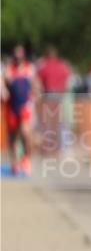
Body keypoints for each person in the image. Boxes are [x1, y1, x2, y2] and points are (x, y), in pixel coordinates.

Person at [4, 45, 37, 176]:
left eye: (20, 56)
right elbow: (3, 84)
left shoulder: (29, 69)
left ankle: (26, 158)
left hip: (25, 106)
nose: (18, 59)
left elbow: (35, 85)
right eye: (16, 56)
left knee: (25, 132)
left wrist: (35, 95)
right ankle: (14, 162)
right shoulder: (9, 69)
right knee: (13, 136)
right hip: (12, 106)